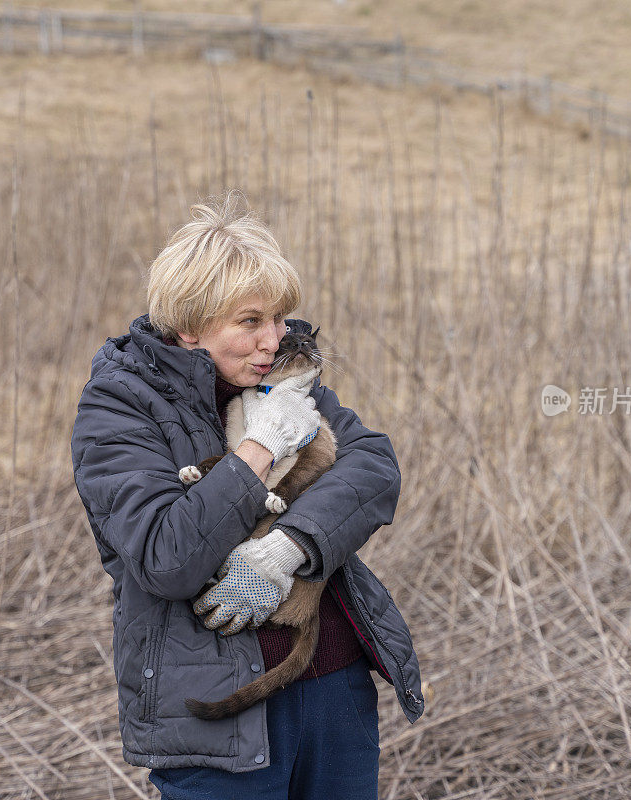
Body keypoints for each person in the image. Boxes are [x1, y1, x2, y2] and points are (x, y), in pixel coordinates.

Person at [70, 191, 423, 800]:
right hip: (216, 712)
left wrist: (287, 547)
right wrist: (257, 448)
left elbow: (371, 467)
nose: (273, 340)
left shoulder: (283, 375)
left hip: (333, 685)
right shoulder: (119, 407)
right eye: (250, 321)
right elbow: (166, 555)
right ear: (188, 325)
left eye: (280, 317)